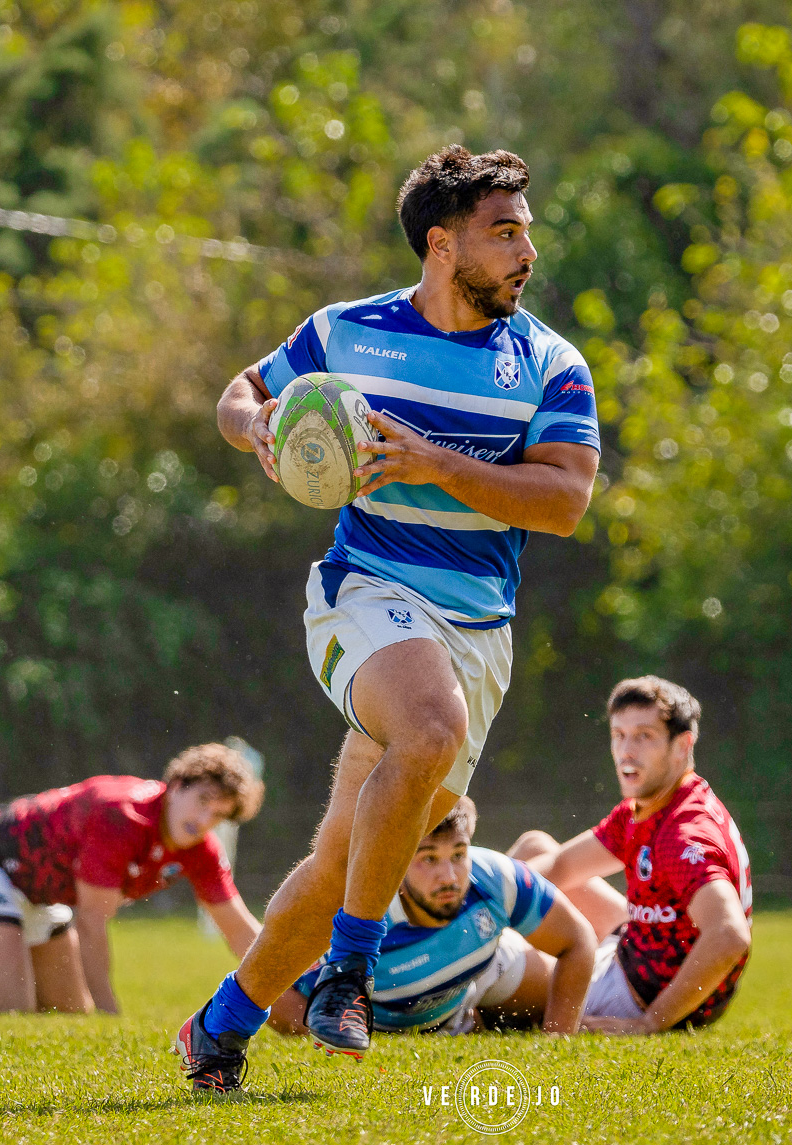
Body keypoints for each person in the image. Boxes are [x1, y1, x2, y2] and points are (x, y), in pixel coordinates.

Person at [177, 144, 599, 1090]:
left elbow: (566, 501)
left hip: (478, 632)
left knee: (342, 859)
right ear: (443, 246)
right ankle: (350, 975)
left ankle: (220, 1024)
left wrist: (435, 463)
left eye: (527, 229)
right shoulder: (346, 333)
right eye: (505, 232)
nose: (527, 249)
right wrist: (264, 436)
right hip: (364, 591)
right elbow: (238, 395)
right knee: (431, 729)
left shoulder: (550, 365)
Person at [0, 743, 263, 1016]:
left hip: (37, 892)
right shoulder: (123, 815)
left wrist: (300, 976)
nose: (205, 819)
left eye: (219, 814)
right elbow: (91, 921)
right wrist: (109, 1010)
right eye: (203, 801)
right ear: (176, 786)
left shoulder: (200, 847)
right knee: (12, 1008)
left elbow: (238, 928)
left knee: (65, 1014)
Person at [511, 676, 753, 1034]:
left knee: (510, 966)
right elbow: (561, 865)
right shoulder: (651, 804)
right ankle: (466, 922)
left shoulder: (683, 834)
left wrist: (647, 1024)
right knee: (537, 848)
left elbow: (729, 934)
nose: (627, 750)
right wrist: (484, 898)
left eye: (644, 736)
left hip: (642, 993)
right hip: (634, 947)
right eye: (619, 734)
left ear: (682, 746)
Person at [267, 796, 594, 1038]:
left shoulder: (496, 877)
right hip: (389, 1019)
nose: (449, 876)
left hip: (479, 974)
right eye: (429, 858)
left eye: (458, 854)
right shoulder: (361, 915)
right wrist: (360, 1037)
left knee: (588, 1004)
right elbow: (278, 995)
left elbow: (577, 942)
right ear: (398, 858)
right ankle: (469, 1022)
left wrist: (557, 1042)